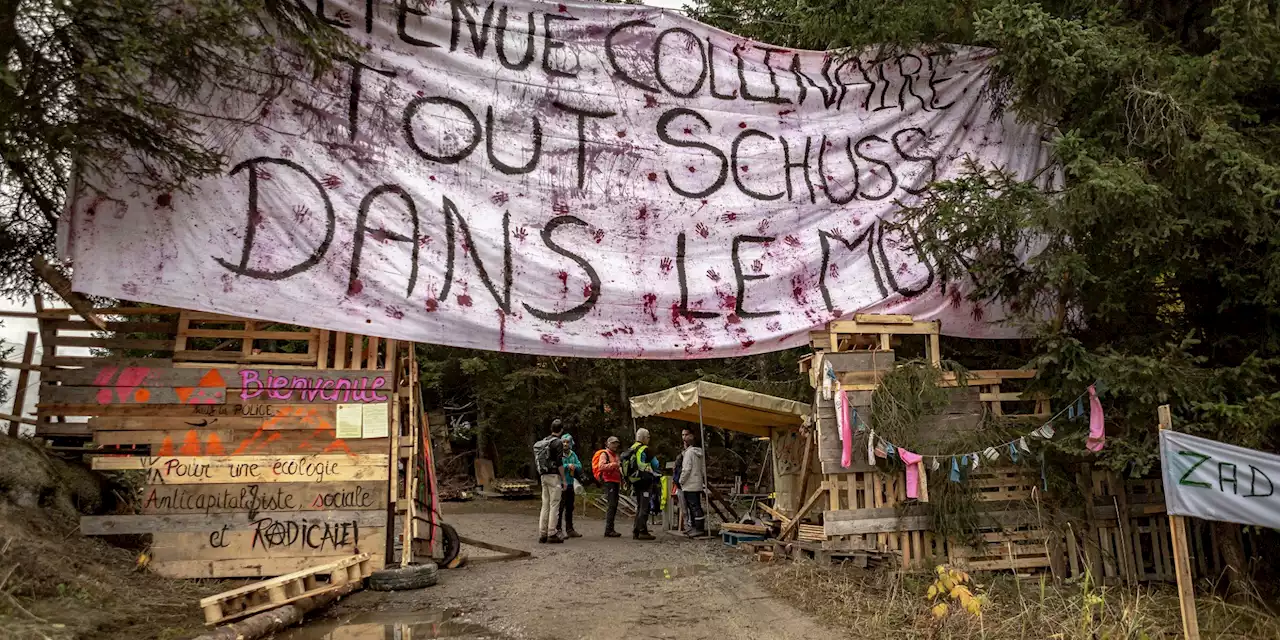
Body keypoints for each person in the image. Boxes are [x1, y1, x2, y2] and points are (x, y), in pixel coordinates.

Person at [534, 419, 565, 544]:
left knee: (545, 504)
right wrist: (563, 479)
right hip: (553, 476)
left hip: (543, 475)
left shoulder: (544, 441)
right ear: (561, 430)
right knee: (554, 504)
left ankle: (542, 533)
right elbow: (559, 462)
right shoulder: (557, 442)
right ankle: (552, 532)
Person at [622, 428, 657, 540]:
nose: (649, 439)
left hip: (634, 480)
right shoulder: (645, 449)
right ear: (644, 438)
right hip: (645, 480)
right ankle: (642, 531)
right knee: (644, 506)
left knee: (639, 505)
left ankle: (636, 530)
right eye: (648, 437)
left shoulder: (631, 448)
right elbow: (656, 464)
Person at [678, 427, 708, 537]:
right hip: (697, 483)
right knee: (695, 506)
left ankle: (698, 528)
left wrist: (681, 480)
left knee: (694, 507)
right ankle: (695, 527)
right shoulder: (699, 453)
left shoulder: (689, 453)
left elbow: (686, 469)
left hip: (689, 484)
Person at [592, 436, 623, 537]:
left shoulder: (616, 455)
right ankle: (608, 530)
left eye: (616, 443)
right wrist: (614, 465)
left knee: (614, 505)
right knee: (611, 505)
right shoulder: (604, 454)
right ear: (608, 444)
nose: (615, 445)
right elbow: (601, 467)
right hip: (608, 481)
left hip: (616, 481)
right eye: (613, 443)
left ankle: (611, 529)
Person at [556, 433, 583, 539]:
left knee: (570, 507)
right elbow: (558, 466)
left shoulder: (573, 454)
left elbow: (579, 466)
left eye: (568, 442)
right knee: (560, 508)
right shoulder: (559, 454)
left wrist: (575, 466)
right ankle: (558, 529)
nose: (565, 444)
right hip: (561, 484)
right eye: (564, 442)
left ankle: (570, 529)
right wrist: (567, 466)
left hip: (571, 483)